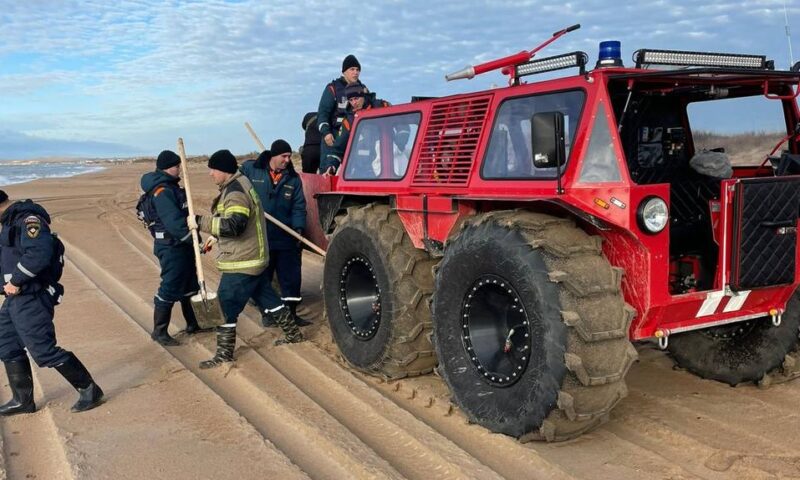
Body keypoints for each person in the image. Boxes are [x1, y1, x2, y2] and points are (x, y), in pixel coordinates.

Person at [191, 150, 302, 369]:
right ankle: (293, 333)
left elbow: (235, 225)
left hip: (242, 262)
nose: (210, 174)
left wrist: (200, 222)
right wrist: (214, 235)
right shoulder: (238, 184)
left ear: (223, 170)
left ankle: (224, 354)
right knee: (268, 297)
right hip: (254, 258)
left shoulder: (235, 192)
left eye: (212, 169)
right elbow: (232, 220)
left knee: (225, 306)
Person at [0, 190, 103, 414]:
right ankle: (22, 400)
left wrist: (16, 280)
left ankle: (89, 389)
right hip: (13, 298)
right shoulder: (9, 221)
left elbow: (39, 253)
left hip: (31, 296)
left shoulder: (27, 220)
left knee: (43, 350)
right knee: (6, 344)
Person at [140, 150, 210, 346]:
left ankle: (193, 323)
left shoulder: (172, 187)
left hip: (181, 246)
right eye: (177, 166)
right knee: (170, 287)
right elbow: (175, 223)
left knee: (190, 285)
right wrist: (195, 242)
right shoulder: (162, 192)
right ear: (167, 167)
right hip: (171, 247)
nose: (180, 169)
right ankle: (159, 331)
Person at [240, 140, 310, 328]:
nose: (287, 160)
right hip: (261, 236)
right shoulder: (253, 170)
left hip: (286, 236)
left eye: (289, 156)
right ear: (273, 156)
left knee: (291, 278)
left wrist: (298, 228)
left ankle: (291, 314)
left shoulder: (292, 179)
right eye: (284, 156)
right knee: (264, 277)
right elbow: (236, 184)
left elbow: (298, 206)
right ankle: (268, 314)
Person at [322, 82, 390, 176]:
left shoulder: (381, 106)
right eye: (351, 100)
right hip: (361, 168)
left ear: (363, 96)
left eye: (356, 98)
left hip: (387, 163)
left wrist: (401, 139)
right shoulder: (349, 120)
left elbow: (401, 118)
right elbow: (338, 148)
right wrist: (331, 166)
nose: (354, 103)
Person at [317, 54, 363, 173]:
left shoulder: (362, 89)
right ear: (344, 72)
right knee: (328, 172)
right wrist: (326, 133)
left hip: (355, 138)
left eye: (358, 70)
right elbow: (323, 113)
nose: (355, 73)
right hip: (334, 137)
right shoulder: (332, 88)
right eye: (352, 69)